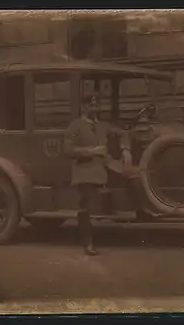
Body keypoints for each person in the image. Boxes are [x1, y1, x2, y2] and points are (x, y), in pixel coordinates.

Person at [63, 95, 137, 256]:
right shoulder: (75, 126)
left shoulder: (103, 126)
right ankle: (87, 242)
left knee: (132, 179)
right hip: (85, 171)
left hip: (105, 169)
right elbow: (68, 150)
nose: (94, 108)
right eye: (91, 105)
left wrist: (126, 150)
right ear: (83, 107)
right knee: (87, 208)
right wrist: (92, 151)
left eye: (97, 105)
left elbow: (123, 133)